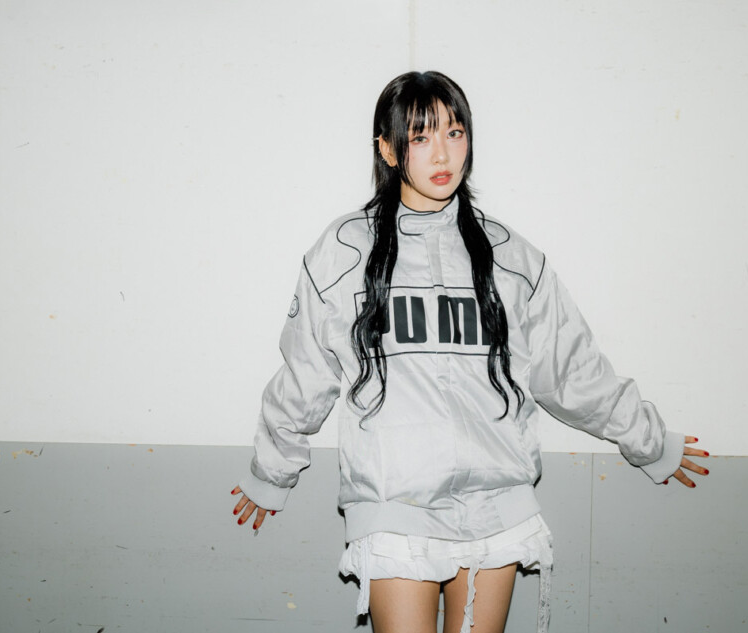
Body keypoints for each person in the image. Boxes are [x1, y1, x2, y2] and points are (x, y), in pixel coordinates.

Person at [230, 71, 709, 633]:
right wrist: (272, 472)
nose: (442, 153)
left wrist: (649, 441)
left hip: (496, 508)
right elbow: (306, 373)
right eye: (421, 136)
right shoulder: (344, 253)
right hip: (394, 511)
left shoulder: (510, 257)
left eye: (454, 133)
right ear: (387, 149)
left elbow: (569, 369)